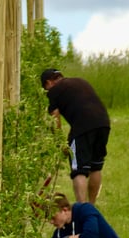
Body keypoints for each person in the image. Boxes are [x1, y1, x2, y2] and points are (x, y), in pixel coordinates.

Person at [40, 68, 111, 205]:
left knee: (79, 170)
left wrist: (59, 142)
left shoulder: (53, 91)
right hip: (103, 123)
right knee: (95, 167)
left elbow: (54, 118)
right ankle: (91, 206)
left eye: (45, 88)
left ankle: (82, 208)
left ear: (48, 82)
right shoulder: (80, 81)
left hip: (83, 126)